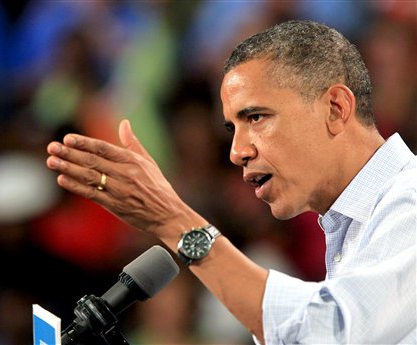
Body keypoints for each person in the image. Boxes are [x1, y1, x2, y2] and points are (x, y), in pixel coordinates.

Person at [45, 20, 416, 344]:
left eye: (255, 117)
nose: (236, 151)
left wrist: (174, 220)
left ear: (335, 108)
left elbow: (326, 336)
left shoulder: (410, 199)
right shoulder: (353, 227)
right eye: (231, 128)